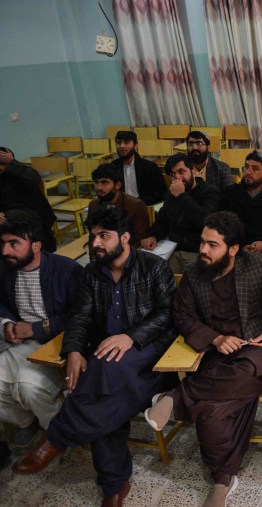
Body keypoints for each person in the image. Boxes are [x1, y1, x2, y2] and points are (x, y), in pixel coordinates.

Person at [12, 207, 177, 507]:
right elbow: (81, 317)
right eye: (92, 236)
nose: (96, 243)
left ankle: (58, 437)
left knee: (99, 372)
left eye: (104, 236)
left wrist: (130, 337)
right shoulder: (92, 272)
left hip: (150, 355)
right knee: (105, 399)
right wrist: (74, 349)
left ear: (125, 237)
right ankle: (114, 486)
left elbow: (168, 315)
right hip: (109, 365)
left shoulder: (154, 267)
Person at [144, 211, 262, 507]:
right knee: (211, 409)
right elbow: (182, 315)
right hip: (215, 354)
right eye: (202, 242)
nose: (203, 250)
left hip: (257, 349)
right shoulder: (196, 274)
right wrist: (215, 338)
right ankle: (223, 481)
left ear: (233, 249)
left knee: (246, 370)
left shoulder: (261, 267)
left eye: (212, 245)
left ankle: (175, 397)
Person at [0, 213, 83, 447]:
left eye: (14, 243)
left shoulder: (67, 270)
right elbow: (2, 303)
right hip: (17, 344)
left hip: (56, 343)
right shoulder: (6, 268)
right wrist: (7, 324)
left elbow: (79, 315)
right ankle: (26, 422)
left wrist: (35, 329)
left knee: (28, 386)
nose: (6, 250)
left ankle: (56, 433)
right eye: (4, 243)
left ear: (36, 246)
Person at [141, 154, 221, 274]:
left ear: (193, 171)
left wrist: (181, 196)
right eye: (172, 174)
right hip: (173, 250)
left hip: (198, 251)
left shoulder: (210, 192)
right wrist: (153, 235)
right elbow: (162, 221)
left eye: (181, 171)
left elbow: (206, 222)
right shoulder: (170, 194)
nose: (177, 177)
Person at [220, 150, 262, 256]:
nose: (248, 172)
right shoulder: (232, 193)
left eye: (255, 168)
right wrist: (238, 246)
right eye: (246, 167)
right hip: (234, 250)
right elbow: (223, 224)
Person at [0, 147, 57, 252]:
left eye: (4, 164)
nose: (1, 168)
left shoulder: (20, 172)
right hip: (7, 224)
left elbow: (35, 179)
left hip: (34, 221)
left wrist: (12, 163)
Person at [88, 163, 149, 245]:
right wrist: (94, 258)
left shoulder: (136, 205)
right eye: (96, 182)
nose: (99, 187)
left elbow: (139, 239)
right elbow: (93, 237)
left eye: (105, 183)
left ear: (117, 185)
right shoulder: (93, 205)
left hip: (127, 251)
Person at [113, 130, 166, 205]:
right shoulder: (113, 167)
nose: (122, 146)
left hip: (142, 206)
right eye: (119, 143)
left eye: (126, 142)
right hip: (120, 207)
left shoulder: (149, 167)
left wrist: (137, 202)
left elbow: (160, 194)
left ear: (135, 146)